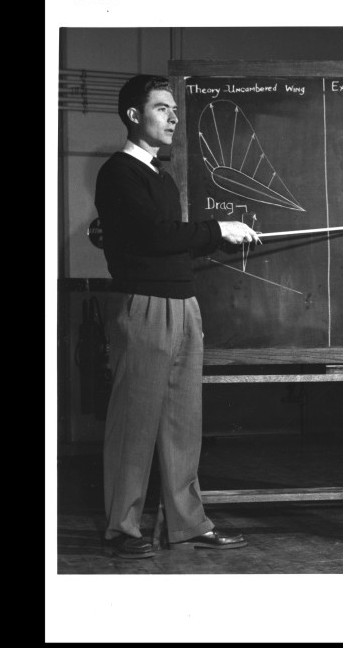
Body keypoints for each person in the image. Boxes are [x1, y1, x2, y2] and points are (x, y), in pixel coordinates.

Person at [94, 74, 261, 558]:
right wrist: (217, 229)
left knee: (183, 425)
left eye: (173, 109)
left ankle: (188, 524)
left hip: (183, 305)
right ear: (133, 115)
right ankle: (121, 530)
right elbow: (156, 237)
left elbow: (168, 238)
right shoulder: (118, 173)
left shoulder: (160, 177)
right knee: (135, 424)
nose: (172, 117)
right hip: (144, 306)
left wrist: (203, 238)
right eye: (162, 108)